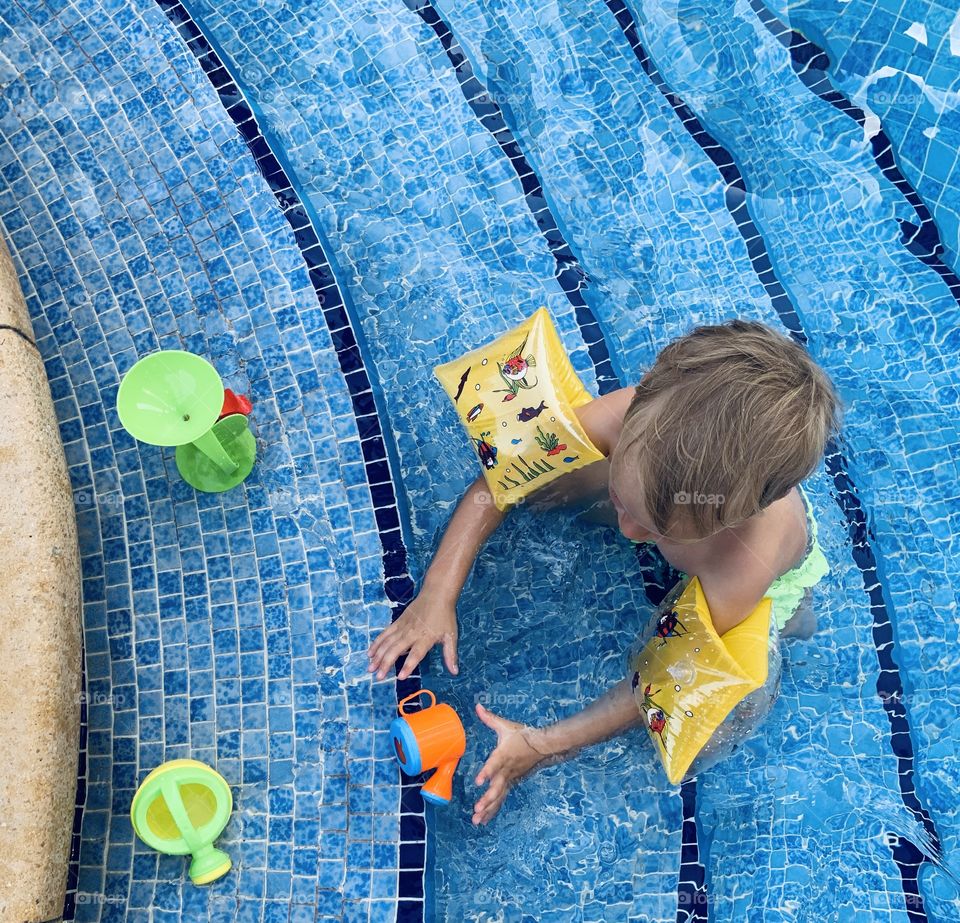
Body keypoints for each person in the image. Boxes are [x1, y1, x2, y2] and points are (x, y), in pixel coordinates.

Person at [367, 320, 840, 824]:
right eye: (623, 501)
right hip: (689, 495)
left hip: (772, 581)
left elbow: (662, 683)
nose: (628, 530)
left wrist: (542, 745)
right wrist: (437, 593)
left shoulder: (744, 563)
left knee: (744, 691)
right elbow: (502, 476)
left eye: (656, 530)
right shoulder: (636, 416)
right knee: (559, 472)